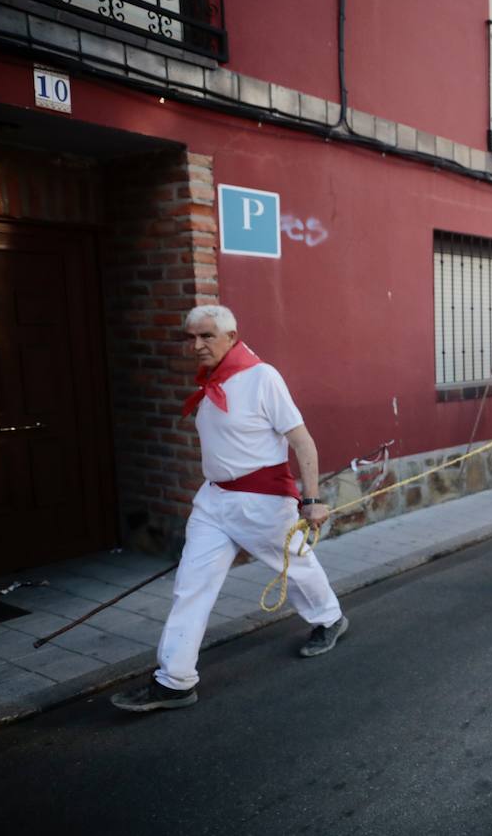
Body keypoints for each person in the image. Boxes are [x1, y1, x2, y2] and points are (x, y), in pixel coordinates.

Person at [112, 305, 347, 712]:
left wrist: (311, 500)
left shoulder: (262, 377)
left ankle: (328, 619)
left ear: (231, 336)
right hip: (213, 501)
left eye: (206, 336)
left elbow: (302, 441)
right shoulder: (210, 382)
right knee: (191, 584)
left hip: (263, 502)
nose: (196, 345)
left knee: (296, 566)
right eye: (190, 337)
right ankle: (175, 681)